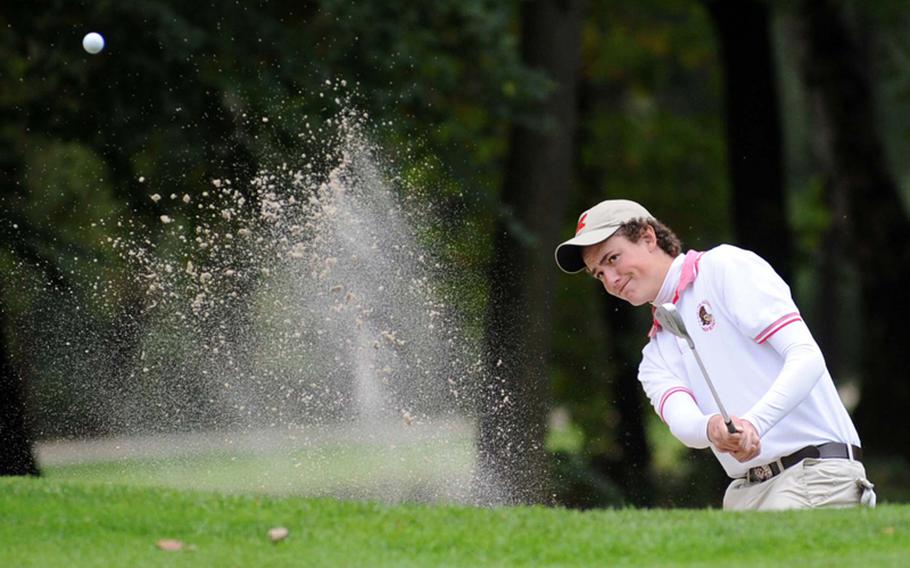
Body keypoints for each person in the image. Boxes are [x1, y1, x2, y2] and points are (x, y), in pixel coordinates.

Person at [554, 199, 876, 510]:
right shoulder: (655, 355)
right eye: (598, 273)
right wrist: (714, 429)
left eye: (613, 258)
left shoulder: (723, 268)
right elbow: (684, 422)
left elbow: (806, 356)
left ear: (648, 237)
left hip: (813, 476)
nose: (610, 280)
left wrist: (754, 423)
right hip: (746, 493)